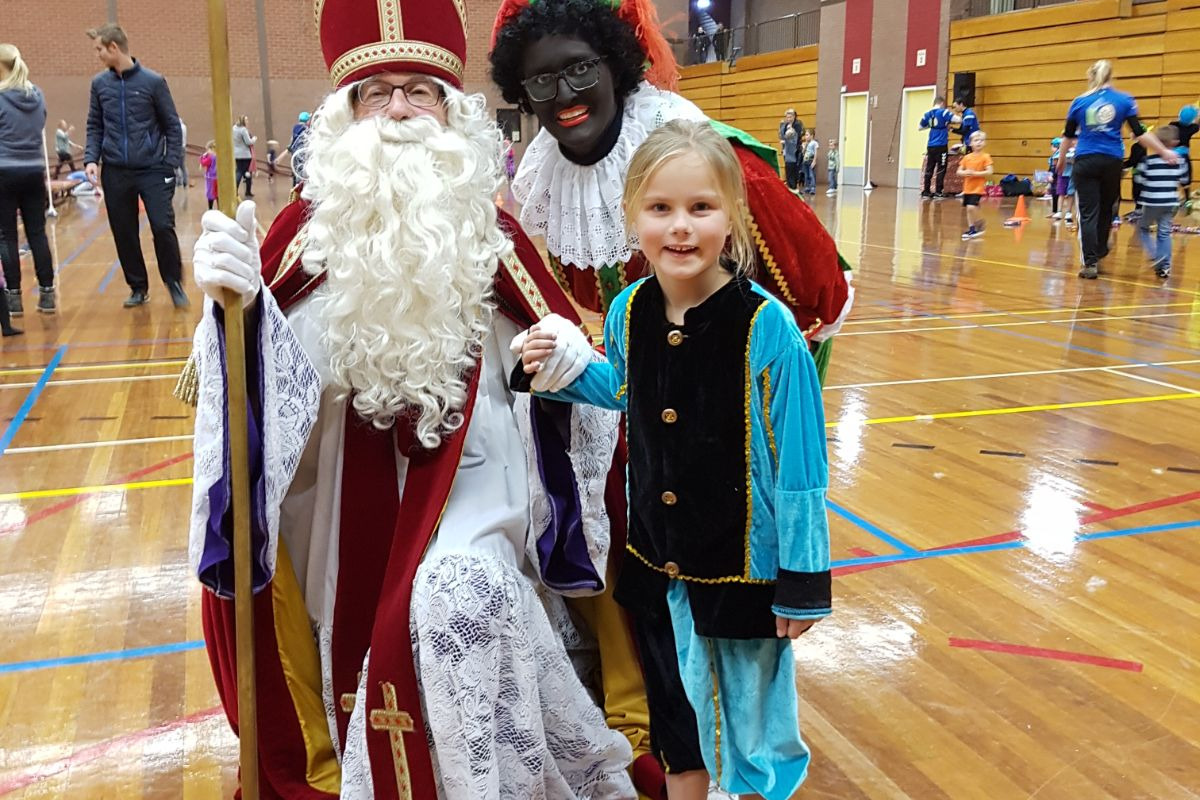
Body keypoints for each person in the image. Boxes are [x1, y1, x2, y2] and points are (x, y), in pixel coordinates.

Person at [186, 0, 635, 796]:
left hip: (477, 491)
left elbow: (570, 376)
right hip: (330, 507)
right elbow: (249, 412)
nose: (397, 110)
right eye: (376, 92)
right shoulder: (299, 238)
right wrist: (240, 315)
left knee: (459, 595)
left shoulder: (493, 237)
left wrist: (569, 361)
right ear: (345, 113)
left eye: (419, 91)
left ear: (452, 111)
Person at [517, 119, 832, 800]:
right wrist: (558, 370)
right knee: (675, 726)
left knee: (753, 731)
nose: (681, 227)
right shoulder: (629, 310)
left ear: (732, 215)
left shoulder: (768, 329)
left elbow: (803, 468)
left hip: (742, 570)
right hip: (655, 564)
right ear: (632, 216)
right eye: (660, 208)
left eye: (701, 207)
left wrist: (803, 580)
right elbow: (625, 390)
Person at [490, 0, 853, 381]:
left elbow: (820, 292)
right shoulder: (555, 186)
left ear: (615, 65)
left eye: (581, 68)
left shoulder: (719, 166)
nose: (564, 94)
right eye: (542, 79)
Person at [84, 23, 188, 308]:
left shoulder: (153, 82)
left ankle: (173, 281)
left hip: (153, 170)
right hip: (115, 171)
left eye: (99, 49)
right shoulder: (99, 85)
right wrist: (91, 159)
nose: (97, 55)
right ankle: (138, 287)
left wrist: (169, 164)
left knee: (162, 226)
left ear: (113, 47)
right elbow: (94, 125)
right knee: (124, 232)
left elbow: (172, 125)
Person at [1059, 59, 1177, 279]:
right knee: (1106, 209)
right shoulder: (1124, 100)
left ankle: (1090, 262)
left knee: (1088, 213)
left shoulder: (1079, 101)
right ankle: (1100, 248)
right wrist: (1164, 151)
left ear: (1091, 76)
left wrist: (1061, 159)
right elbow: (1139, 132)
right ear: (1111, 76)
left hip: (1086, 160)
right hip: (1112, 161)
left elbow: (1067, 135)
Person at [0, 43, 54, 323]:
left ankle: (14, 297)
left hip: (4, 171)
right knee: (37, 233)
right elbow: (40, 125)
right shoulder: (37, 94)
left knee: (7, 235)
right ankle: (47, 293)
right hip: (34, 171)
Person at [1136, 125, 1185, 279]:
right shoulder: (1179, 161)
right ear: (1175, 142)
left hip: (1152, 201)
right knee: (1164, 232)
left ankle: (1155, 254)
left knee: (1142, 228)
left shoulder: (1148, 161)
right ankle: (1165, 266)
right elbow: (1184, 178)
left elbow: (1139, 179)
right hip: (1170, 201)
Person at [957, 130, 993, 240]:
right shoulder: (967, 157)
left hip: (978, 188)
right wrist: (965, 173)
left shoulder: (985, 157)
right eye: (976, 140)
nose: (979, 142)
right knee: (969, 209)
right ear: (971, 143)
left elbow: (990, 171)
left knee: (971, 206)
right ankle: (972, 228)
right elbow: (959, 171)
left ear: (984, 143)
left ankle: (980, 222)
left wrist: (976, 173)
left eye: (981, 140)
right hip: (968, 187)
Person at [919, 96, 955, 198]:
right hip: (941, 145)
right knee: (941, 168)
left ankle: (926, 191)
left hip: (930, 145)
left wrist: (932, 125)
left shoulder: (927, 114)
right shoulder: (944, 112)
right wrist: (945, 124)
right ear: (942, 103)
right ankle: (938, 191)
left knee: (929, 168)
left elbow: (920, 127)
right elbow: (958, 119)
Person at [1169, 104, 1197, 194]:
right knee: (1186, 178)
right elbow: (1197, 123)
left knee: (1172, 177)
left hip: (1171, 155)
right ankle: (1187, 197)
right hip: (1183, 156)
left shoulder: (1172, 125)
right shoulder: (1192, 128)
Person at [283, 110, 310, 186]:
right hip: (302, 153)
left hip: (295, 153)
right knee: (302, 169)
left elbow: (292, 139)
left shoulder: (295, 128)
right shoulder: (306, 129)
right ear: (307, 120)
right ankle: (300, 185)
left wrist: (290, 147)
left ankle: (295, 185)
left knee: (295, 170)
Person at [232, 115, 256, 198]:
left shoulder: (233, 128)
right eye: (246, 120)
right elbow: (248, 142)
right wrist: (254, 139)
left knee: (238, 171)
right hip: (245, 155)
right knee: (247, 172)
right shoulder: (243, 130)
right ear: (243, 121)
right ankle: (248, 191)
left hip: (236, 154)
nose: (248, 121)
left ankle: (234, 190)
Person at [779, 108, 802, 192]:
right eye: (787, 117)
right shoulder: (785, 125)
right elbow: (781, 135)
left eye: (790, 117)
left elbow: (796, 136)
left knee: (794, 168)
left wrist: (791, 131)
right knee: (788, 167)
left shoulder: (797, 124)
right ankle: (789, 186)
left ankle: (793, 186)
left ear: (794, 116)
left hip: (795, 150)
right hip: (787, 150)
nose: (788, 119)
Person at [199, 140, 217, 210]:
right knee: (218, 193)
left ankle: (210, 208)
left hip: (211, 177)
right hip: (218, 177)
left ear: (211, 148)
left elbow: (204, 163)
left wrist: (202, 157)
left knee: (210, 193)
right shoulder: (219, 156)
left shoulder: (210, 157)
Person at [801, 130, 818, 194]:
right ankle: (807, 187)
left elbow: (816, 152)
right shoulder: (805, 143)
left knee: (811, 175)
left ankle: (812, 188)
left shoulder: (814, 143)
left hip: (811, 160)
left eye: (807, 135)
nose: (806, 136)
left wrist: (814, 161)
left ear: (812, 136)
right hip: (805, 161)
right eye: (805, 135)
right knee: (806, 175)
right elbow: (803, 152)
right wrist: (805, 146)